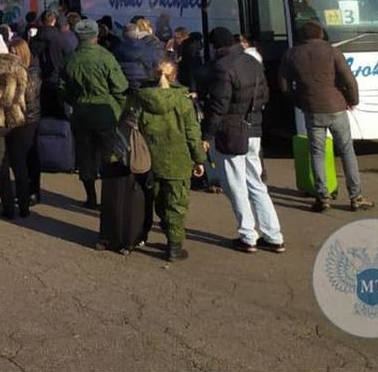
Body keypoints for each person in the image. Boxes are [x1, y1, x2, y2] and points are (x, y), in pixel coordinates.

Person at [202, 27, 287, 252]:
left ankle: (248, 235)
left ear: (215, 47)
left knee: (235, 185)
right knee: (257, 184)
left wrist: (207, 135)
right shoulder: (252, 62)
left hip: (230, 132)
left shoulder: (222, 68)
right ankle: (273, 234)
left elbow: (218, 107)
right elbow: (265, 95)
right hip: (253, 129)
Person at [280, 20, 374, 213]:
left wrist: (299, 100)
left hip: (312, 110)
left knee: (317, 153)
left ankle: (322, 197)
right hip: (337, 107)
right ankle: (356, 197)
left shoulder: (291, 54)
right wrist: (352, 100)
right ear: (321, 34)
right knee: (347, 151)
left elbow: (283, 86)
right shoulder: (332, 52)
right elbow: (349, 80)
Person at [134, 59, 207, 261]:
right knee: (176, 204)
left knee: (159, 200)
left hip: (151, 159)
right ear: (174, 76)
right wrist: (199, 159)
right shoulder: (183, 100)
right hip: (179, 159)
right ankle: (174, 246)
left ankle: (164, 233)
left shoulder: (142, 97)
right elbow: (193, 133)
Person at [61, 19, 128, 209]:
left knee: (85, 157)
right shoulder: (106, 57)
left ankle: (91, 197)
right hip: (105, 113)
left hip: (81, 114)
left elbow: (62, 88)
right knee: (109, 156)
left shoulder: (71, 59)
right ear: (96, 36)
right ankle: (111, 199)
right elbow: (121, 86)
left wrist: (77, 100)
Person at [0, 39, 40, 220]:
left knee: (1, 167)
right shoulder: (19, 68)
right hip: (17, 121)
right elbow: (30, 96)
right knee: (19, 164)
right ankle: (23, 206)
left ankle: (8, 208)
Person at [28, 11, 67, 116]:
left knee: (45, 111)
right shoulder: (60, 38)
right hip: (57, 78)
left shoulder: (35, 39)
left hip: (40, 78)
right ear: (54, 21)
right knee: (59, 111)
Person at [117, 22, 164, 91]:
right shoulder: (149, 49)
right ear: (137, 34)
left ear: (123, 35)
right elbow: (157, 67)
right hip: (143, 86)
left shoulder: (115, 51)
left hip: (123, 87)